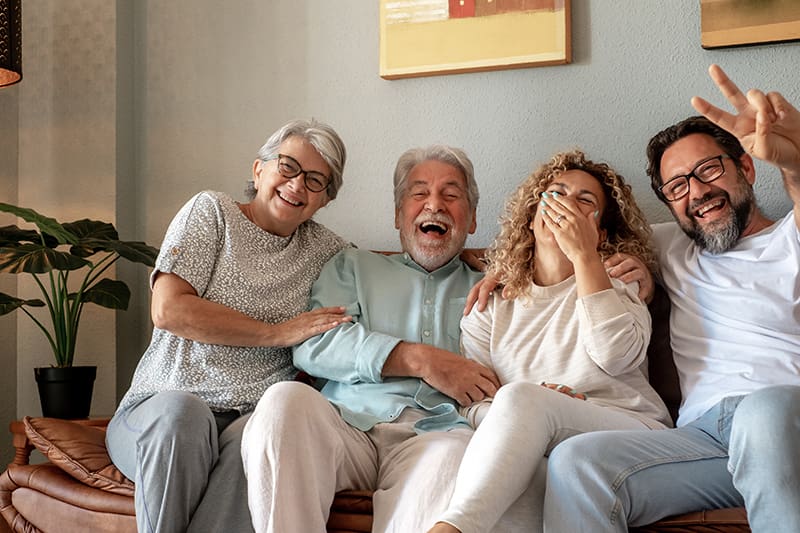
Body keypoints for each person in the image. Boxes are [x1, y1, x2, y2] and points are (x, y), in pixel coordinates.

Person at [543, 64, 800, 532]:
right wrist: (495, 270)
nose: (697, 193)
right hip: (703, 440)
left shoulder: (790, 237)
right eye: (677, 186)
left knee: (763, 414)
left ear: (745, 167)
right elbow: (569, 247)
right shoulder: (669, 245)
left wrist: (795, 162)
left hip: (786, 422)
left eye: (708, 170)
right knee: (576, 462)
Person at [241, 144, 526, 533]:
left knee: (454, 454)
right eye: (419, 192)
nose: (434, 205)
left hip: (436, 435)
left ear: (472, 219)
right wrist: (417, 358)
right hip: (345, 427)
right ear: (397, 214)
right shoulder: (352, 266)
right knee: (282, 400)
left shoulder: (494, 289)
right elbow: (315, 344)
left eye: (451, 195)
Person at [105, 119, 353, 533]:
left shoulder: (327, 251)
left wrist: (491, 273)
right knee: (186, 416)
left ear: (325, 200)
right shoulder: (212, 212)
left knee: (263, 442)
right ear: (259, 170)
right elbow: (169, 310)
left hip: (246, 420)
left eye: (315, 181)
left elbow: (393, 279)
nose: (297, 186)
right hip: (162, 409)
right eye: (288, 167)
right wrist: (277, 332)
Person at [427, 150, 671, 533]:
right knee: (524, 473)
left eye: (584, 201)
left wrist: (585, 256)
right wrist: (538, 417)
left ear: (600, 231)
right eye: (555, 193)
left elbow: (615, 356)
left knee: (524, 398)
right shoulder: (489, 305)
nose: (566, 205)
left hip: (631, 432)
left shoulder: (620, 285)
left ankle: (452, 529)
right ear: (531, 215)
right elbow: (474, 404)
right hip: (543, 442)